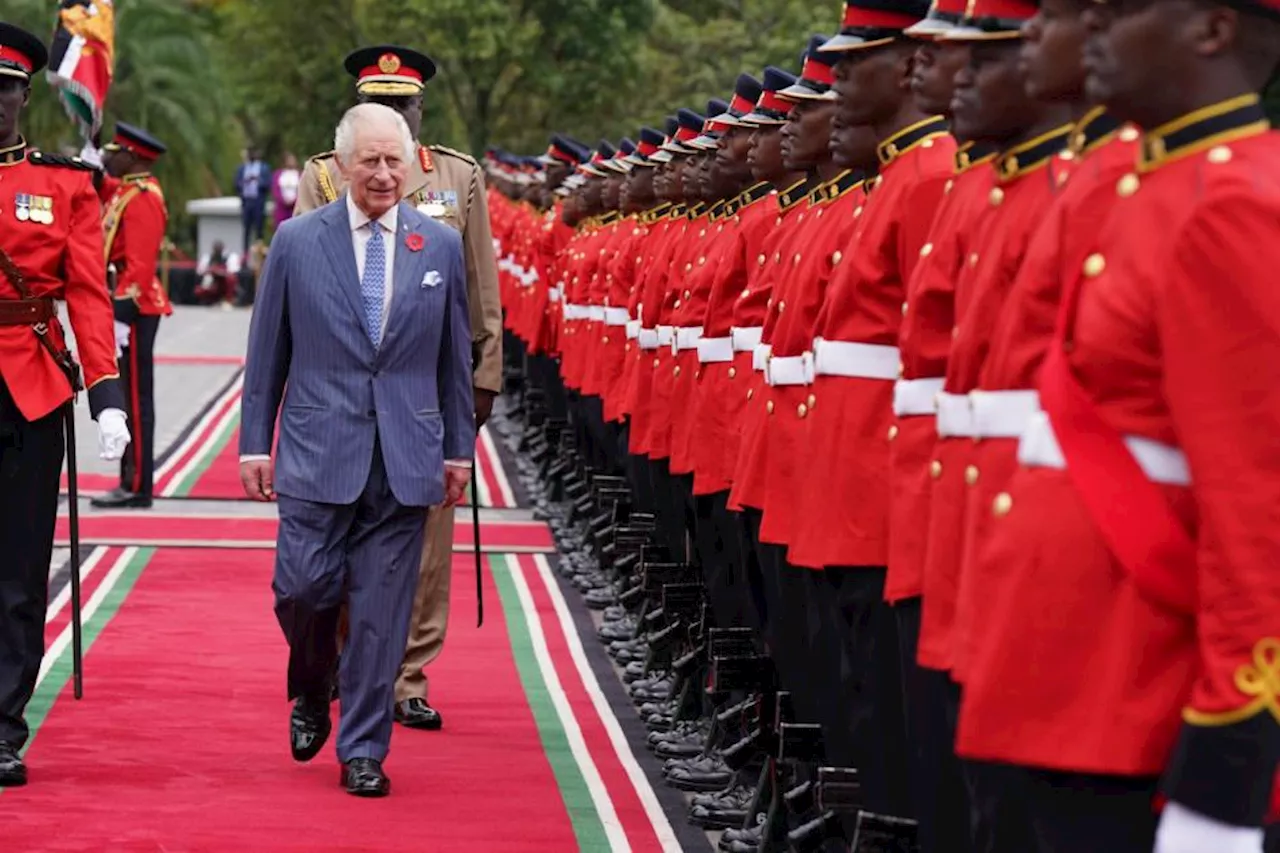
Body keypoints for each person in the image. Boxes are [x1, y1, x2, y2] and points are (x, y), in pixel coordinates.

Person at [952, 0, 1280, 849]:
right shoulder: (1151, 183)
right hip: (1067, 672)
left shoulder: (1237, 200)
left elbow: (1258, 506)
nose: (1086, 25)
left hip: (1137, 695)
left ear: (1210, 31)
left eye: (1117, 8)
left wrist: (1227, 763)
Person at [239, 102, 475, 797]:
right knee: (304, 587)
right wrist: (257, 443)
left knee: (379, 614)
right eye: (367, 160)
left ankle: (364, 749)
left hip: (406, 456)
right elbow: (267, 353)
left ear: (409, 165)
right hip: (316, 449)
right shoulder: (296, 241)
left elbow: (452, 360)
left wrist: (457, 451)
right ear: (339, 167)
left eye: (392, 161)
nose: (381, 173)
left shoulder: (439, 248)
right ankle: (313, 682)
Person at [294, 44, 503, 731]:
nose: (388, 119)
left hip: (420, 393)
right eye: (374, 107)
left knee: (424, 547)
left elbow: (480, 290)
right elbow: (297, 288)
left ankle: (407, 675)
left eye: (400, 107)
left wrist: (484, 377)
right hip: (343, 397)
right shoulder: (324, 176)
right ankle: (340, 663)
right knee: (333, 550)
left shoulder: (457, 177)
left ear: (420, 113)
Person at [0, 21, 131, 787]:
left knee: (17, 570)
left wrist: (106, 395)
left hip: (31, 385)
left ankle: (5, 723)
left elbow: (88, 291)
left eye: (6, 90)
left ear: (23, 96)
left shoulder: (62, 185)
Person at [89, 123, 172, 510]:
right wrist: (88, 163)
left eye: (113, 153)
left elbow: (140, 262)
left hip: (135, 308)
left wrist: (124, 311)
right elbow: (102, 191)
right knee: (127, 395)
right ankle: (129, 477)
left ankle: (137, 484)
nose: (109, 158)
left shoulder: (143, 197)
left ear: (133, 157)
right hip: (123, 302)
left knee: (136, 399)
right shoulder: (127, 190)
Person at [235, 146, 269, 254]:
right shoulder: (242, 168)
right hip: (247, 201)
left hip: (258, 201)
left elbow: (268, 184)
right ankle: (245, 254)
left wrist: (258, 180)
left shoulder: (263, 168)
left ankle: (259, 253)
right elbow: (236, 183)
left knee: (259, 229)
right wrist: (245, 181)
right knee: (246, 230)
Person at [272, 152, 300, 229]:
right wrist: (283, 200)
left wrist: (294, 200)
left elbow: (301, 190)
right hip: (281, 208)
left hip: (295, 207)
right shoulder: (278, 174)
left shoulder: (299, 174)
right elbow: (275, 189)